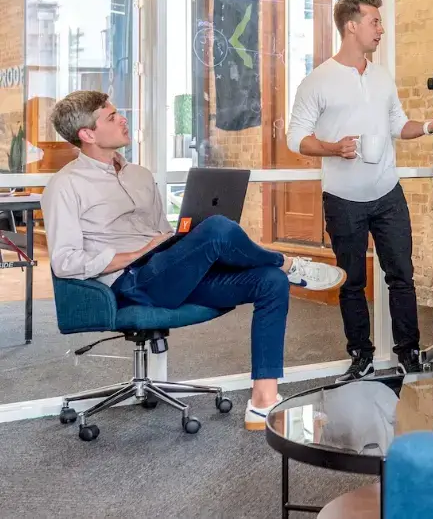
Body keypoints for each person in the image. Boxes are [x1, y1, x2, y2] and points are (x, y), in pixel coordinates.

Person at [41, 91, 346, 431]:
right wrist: (136, 253)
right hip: (131, 281)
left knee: (268, 281)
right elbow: (65, 262)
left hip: (167, 271)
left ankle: (263, 401)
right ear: (87, 134)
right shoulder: (65, 185)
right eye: (111, 117)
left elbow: (161, 233)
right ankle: (288, 264)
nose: (123, 119)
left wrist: (179, 240)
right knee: (217, 229)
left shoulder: (139, 175)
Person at [287, 0, 433, 381]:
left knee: (401, 275)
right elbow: (295, 138)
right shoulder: (318, 80)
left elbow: (399, 124)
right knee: (351, 280)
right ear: (352, 25)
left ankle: (408, 352)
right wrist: (333, 147)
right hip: (344, 199)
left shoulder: (381, 77)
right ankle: (360, 355)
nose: (380, 29)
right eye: (374, 21)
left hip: (388, 194)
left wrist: (432, 125)